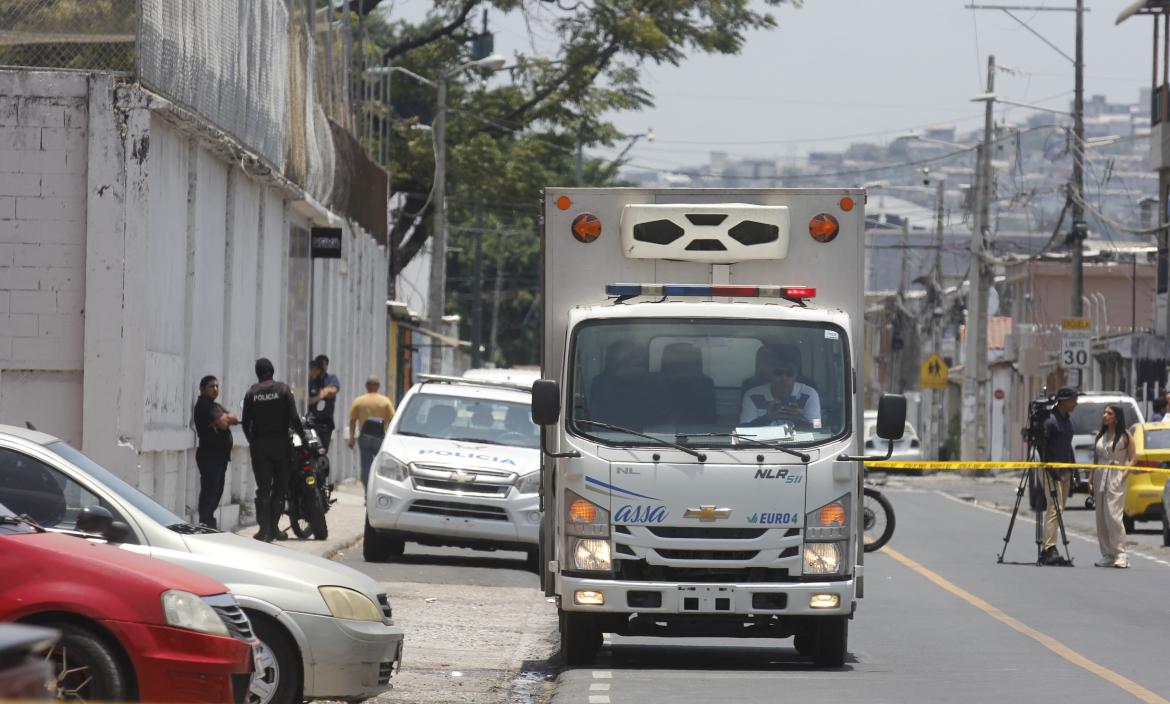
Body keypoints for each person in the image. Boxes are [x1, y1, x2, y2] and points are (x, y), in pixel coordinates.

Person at [242, 358, 305, 542]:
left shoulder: (251, 393)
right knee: (279, 488)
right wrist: (303, 438)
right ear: (272, 371)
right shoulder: (284, 390)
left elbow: (246, 423)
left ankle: (264, 530)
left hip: (260, 445)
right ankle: (275, 527)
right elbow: (294, 418)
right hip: (281, 445)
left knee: (263, 489)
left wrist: (253, 441)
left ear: (257, 372)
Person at [1090, 404, 1135, 568]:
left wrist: (1125, 474)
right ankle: (1107, 554)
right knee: (1101, 516)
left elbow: (1133, 457)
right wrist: (1090, 478)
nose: (1105, 415)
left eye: (1109, 413)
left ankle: (1121, 554)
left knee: (1113, 515)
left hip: (1116, 476)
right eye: (1104, 412)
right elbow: (1095, 459)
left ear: (1116, 417)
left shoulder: (1125, 435)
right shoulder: (1100, 435)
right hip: (1100, 475)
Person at [1039, 386, 1079, 566]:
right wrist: (1054, 472)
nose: (1075, 404)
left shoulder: (1067, 421)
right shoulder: (1050, 421)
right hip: (1051, 471)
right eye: (1073, 400)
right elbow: (1043, 450)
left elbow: (1068, 446)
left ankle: (1051, 545)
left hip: (1065, 471)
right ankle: (1048, 548)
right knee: (1053, 508)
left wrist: (1073, 470)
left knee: (1060, 509)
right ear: (1063, 401)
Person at [192, 375, 238, 529]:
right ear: (202, 389)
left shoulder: (215, 406)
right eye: (211, 386)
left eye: (217, 386)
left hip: (220, 457)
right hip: (209, 456)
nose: (215, 389)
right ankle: (205, 523)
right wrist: (224, 419)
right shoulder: (204, 405)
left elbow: (233, 417)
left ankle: (209, 521)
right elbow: (225, 423)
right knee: (209, 491)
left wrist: (224, 418)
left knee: (217, 491)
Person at [739, 346, 821, 429]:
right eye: (778, 373)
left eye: (789, 374)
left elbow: (818, 426)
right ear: (769, 375)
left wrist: (798, 418)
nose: (783, 379)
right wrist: (768, 417)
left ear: (796, 377)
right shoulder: (752, 395)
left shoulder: (810, 394)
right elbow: (744, 429)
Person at [347, 376, 395, 487]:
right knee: (381, 466)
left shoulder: (359, 401)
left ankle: (367, 492)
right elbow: (393, 420)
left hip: (364, 437)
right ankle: (378, 489)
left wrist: (352, 438)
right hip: (380, 437)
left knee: (366, 466)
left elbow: (353, 421)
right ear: (378, 386)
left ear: (366, 386)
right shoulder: (385, 402)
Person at [308, 356, 341, 452]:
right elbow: (307, 399)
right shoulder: (311, 380)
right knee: (311, 450)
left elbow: (334, 390)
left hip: (326, 423)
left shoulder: (331, 378)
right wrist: (322, 395)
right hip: (311, 422)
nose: (322, 368)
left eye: (324, 365)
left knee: (322, 451)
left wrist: (322, 393)